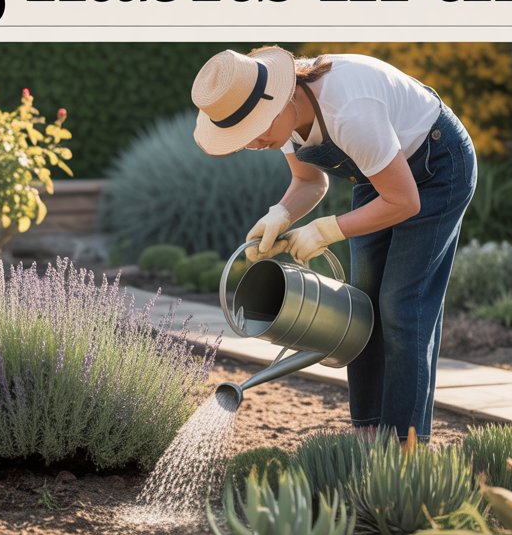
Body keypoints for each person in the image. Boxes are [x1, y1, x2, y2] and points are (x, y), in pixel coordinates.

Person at [190, 46, 477, 442]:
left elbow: (405, 201)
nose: (253, 142)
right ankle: (368, 435)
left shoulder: (349, 109)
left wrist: (327, 230)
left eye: (256, 129)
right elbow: (310, 181)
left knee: (401, 306)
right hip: (379, 177)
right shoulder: (283, 118)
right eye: (243, 137)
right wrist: (282, 214)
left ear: (283, 96)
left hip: (436, 168)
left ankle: (405, 449)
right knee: (362, 305)